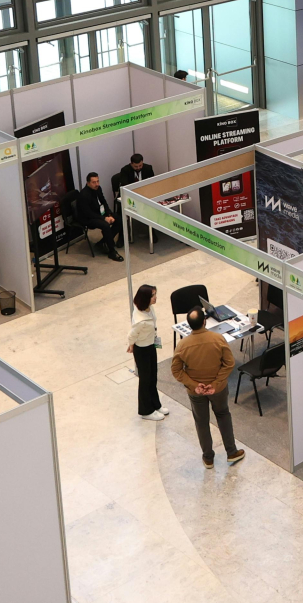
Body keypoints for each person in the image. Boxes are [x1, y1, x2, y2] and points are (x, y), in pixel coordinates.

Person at [170, 306, 242, 467]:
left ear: (189, 325)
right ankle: (232, 452)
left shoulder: (182, 345)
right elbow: (229, 363)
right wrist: (216, 383)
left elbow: (176, 370)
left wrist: (194, 385)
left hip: (196, 393)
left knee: (201, 422)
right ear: (204, 321)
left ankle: (208, 458)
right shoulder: (218, 339)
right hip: (218, 389)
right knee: (223, 415)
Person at [128, 284, 164, 420]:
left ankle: (155, 404)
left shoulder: (149, 308)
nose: (155, 297)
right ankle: (146, 410)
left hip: (150, 344)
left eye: (155, 294)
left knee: (153, 376)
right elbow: (132, 335)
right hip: (142, 349)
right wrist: (131, 345)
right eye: (152, 295)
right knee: (145, 379)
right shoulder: (140, 320)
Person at [75, 173, 123, 261]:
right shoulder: (83, 195)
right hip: (87, 218)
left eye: (98, 181)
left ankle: (102, 242)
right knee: (105, 225)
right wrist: (104, 218)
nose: (97, 184)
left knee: (119, 219)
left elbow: (103, 201)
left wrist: (109, 214)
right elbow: (88, 213)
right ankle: (112, 251)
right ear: (88, 183)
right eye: (94, 182)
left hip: (98, 212)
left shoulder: (98, 188)